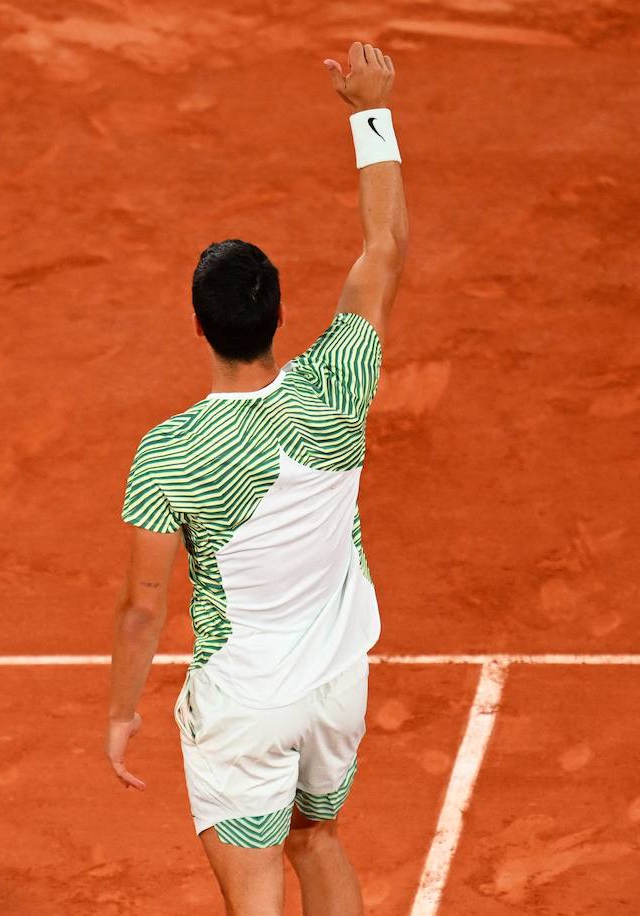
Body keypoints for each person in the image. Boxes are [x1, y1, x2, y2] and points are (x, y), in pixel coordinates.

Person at [104, 42, 408, 915]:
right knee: (320, 839)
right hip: (335, 687)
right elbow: (384, 245)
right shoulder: (338, 381)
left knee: (255, 887)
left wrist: (122, 713)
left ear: (198, 330)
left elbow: (141, 607)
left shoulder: (170, 452)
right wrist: (369, 109)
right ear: (279, 316)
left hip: (244, 709)